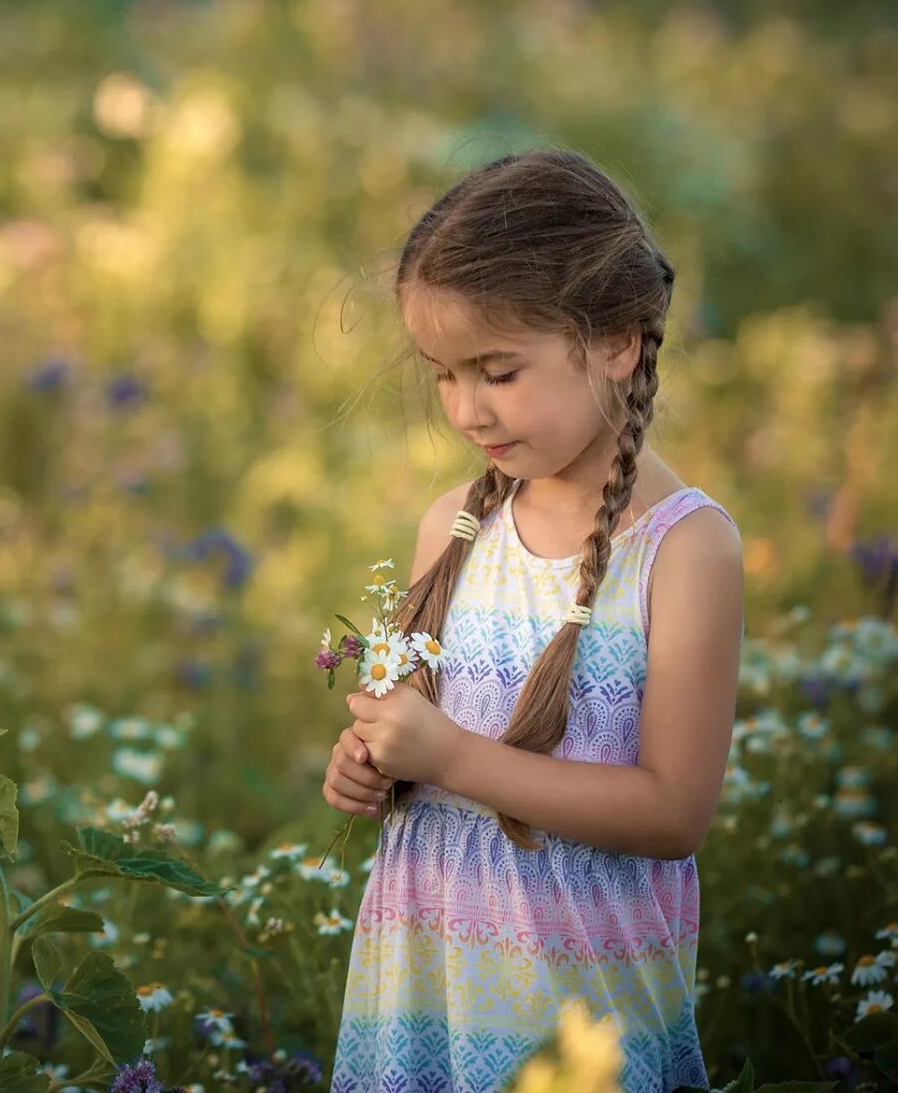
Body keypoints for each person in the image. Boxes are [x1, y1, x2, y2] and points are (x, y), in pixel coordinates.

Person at [323, 148, 745, 1092]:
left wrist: (451, 760)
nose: (466, 409)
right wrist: (371, 762)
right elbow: (418, 733)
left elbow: (676, 812)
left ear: (617, 342)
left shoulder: (683, 549)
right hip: (429, 991)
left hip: (579, 1006)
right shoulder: (455, 526)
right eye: (443, 375)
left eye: (499, 371)